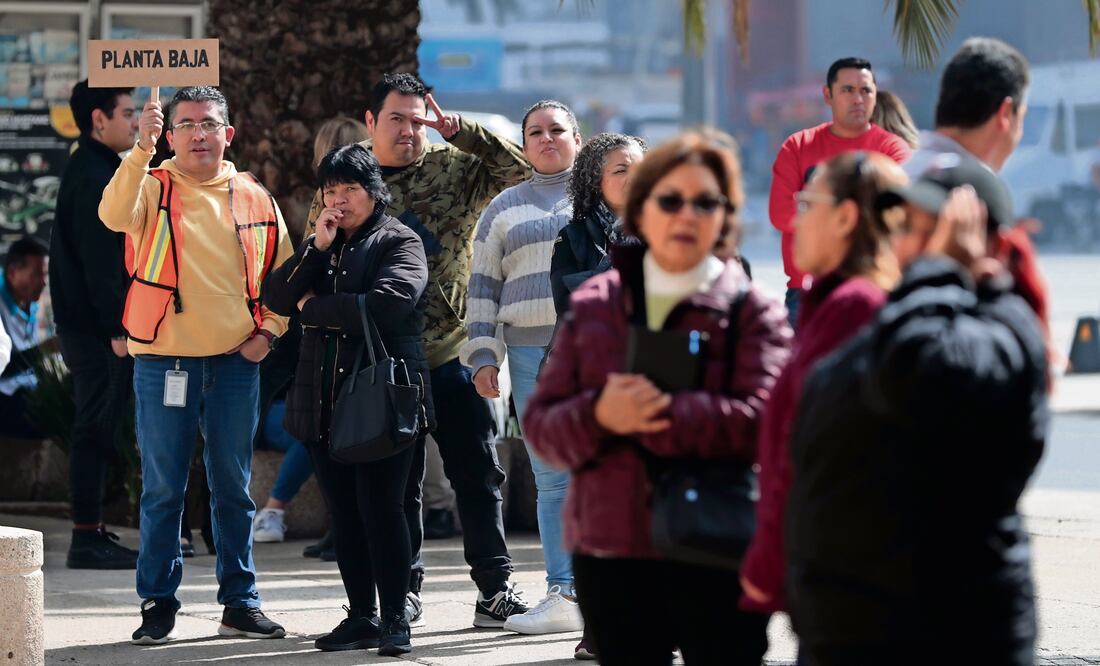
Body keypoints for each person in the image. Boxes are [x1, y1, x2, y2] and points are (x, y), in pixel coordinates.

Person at [523, 131, 791, 665]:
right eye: (670, 199)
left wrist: (660, 411)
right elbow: (543, 425)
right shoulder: (598, 305)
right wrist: (600, 413)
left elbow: (770, 423)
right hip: (614, 545)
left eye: (706, 200)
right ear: (643, 210)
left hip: (716, 541)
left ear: (726, 214)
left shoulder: (751, 309)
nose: (686, 214)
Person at [785, 156, 1049, 666]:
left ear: (981, 243)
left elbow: (918, 372)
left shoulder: (999, 324)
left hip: (943, 628)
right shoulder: (909, 311)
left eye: (930, 231)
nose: (907, 245)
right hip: (858, 622)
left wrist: (941, 271)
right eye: (902, 227)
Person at [308, 72, 532, 628]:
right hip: (381, 360)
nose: (410, 131)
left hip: (451, 351)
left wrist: (462, 132)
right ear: (370, 120)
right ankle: (403, 593)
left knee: (477, 476)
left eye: (418, 119)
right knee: (396, 488)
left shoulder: (454, 163)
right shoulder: (349, 172)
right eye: (397, 119)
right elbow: (322, 244)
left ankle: (494, 589)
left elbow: (524, 172)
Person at [99, 85, 294, 645]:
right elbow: (112, 216)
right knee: (163, 489)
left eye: (208, 123)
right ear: (169, 134)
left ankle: (241, 600)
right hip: (165, 362)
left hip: (235, 364)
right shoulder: (149, 185)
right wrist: (140, 149)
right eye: (184, 125)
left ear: (227, 134)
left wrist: (268, 334)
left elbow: (283, 277)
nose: (198, 134)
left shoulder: (256, 195)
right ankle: (158, 602)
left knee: (234, 488)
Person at [264, 143, 433, 657]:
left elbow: (387, 305)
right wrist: (314, 248)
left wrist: (313, 309)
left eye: (350, 190)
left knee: (383, 509)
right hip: (323, 397)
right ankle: (360, 614)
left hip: (383, 395)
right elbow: (274, 298)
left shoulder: (399, 239)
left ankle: (394, 617)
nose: (338, 201)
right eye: (330, 191)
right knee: (345, 512)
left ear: (374, 191)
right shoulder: (325, 242)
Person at [739, 151, 907, 616]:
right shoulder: (834, 301)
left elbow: (815, 452)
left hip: (848, 572)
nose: (796, 220)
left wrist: (767, 563)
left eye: (809, 205)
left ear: (847, 217)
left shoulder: (855, 308)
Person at [460, 99, 582, 635]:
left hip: (597, 355)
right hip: (531, 357)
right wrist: (484, 354)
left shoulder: (606, 198)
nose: (547, 139)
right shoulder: (503, 206)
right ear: (525, 142)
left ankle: (612, 589)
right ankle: (562, 591)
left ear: (577, 138)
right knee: (551, 478)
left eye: (558, 130)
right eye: (536, 132)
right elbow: (482, 285)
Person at [254, 115, 370, 547]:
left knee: (327, 430)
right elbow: (286, 290)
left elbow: (313, 293)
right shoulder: (322, 219)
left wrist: (312, 305)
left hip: (338, 347)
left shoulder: (381, 234)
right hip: (324, 345)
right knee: (322, 431)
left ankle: (285, 512)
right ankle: (337, 526)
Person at [50, 80, 141, 570]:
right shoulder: (96, 174)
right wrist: (119, 330)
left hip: (92, 327)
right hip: (99, 331)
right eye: (128, 112)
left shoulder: (101, 166)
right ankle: (86, 536)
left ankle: (92, 531)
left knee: (100, 426)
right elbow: (102, 263)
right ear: (98, 120)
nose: (135, 120)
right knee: (94, 427)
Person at [769, 57, 912, 324]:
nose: (858, 98)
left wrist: (816, 212)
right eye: (847, 90)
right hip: (807, 293)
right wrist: (857, 219)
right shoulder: (798, 146)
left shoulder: (893, 150)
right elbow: (780, 214)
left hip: (874, 288)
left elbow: (898, 213)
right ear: (828, 95)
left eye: (865, 90)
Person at [550, 132, 647, 317]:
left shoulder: (662, 232)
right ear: (595, 181)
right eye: (621, 170)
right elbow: (568, 307)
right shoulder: (573, 237)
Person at [906, 37, 1030, 177]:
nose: (1020, 134)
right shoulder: (978, 190)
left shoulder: (897, 173)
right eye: (1022, 117)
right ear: (1005, 114)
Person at [0, 237, 49, 439]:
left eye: (44, 275)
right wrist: (43, 350)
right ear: (12, 273)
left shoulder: (29, 302)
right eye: (36, 275)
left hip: (27, 392)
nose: (43, 282)